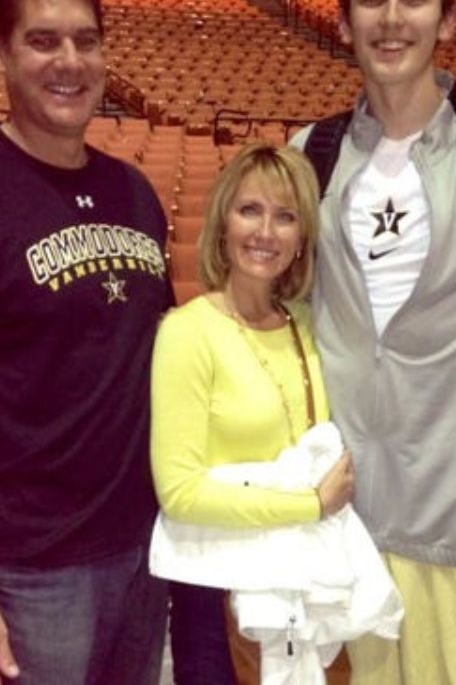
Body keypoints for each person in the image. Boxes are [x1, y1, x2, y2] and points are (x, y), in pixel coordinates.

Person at [291, 0, 456, 683]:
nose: (392, 16)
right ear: (343, 22)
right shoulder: (309, 155)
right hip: (348, 527)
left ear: (448, 20)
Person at [0, 0, 174, 685]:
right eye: (43, 40)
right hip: (34, 570)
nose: (69, 60)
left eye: (86, 39)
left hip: (143, 549)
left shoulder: (134, 193)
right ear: (4, 55)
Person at [149, 142, 356, 684]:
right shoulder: (187, 332)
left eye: (285, 216)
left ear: (302, 238)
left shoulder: (307, 324)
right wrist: (309, 505)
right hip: (217, 587)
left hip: (299, 581)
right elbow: (180, 492)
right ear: (223, 223)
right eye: (250, 210)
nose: (266, 232)